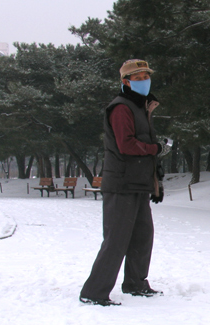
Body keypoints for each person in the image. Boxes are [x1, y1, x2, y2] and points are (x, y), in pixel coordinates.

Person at [80, 59, 166, 306]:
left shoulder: (141, 108)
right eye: (137, 78)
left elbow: (146, 152)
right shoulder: (121, 108)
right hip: (121, 184)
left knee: (142, 236)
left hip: (138, 184)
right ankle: (94, 292)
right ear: (125, 82)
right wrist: (155, 148)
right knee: (116, 239)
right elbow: (127, 145)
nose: (143, 81)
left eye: (146, 76)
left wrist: (156, 182)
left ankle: (135, 283)